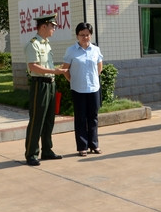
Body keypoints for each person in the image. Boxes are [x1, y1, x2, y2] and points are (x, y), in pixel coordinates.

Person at [24, 13, 68, 166]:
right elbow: (33, 66)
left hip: (51, 84)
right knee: (37, 119)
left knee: (49, 119)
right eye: (52, 26)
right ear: (44, 26)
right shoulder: (33, 44)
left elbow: (47, 66)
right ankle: (31, 154)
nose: (54, 29)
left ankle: (47, 150)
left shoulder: (46, 43)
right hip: (40, 85)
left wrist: (55, 70)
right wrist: (55, 71)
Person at [61, 22, 104, 156]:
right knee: (80, 118)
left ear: (91, 35)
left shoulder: (95, 50)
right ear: (77, 36)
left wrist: (92, 80)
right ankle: (82, 147)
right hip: (78, 89)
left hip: (93, 88)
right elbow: (65, 70)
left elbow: (99, 67)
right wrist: (73, 81)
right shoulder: (71, 50)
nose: (85, 38)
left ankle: (94, 145)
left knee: (93, 117)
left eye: (87, 35)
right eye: (82, 35)